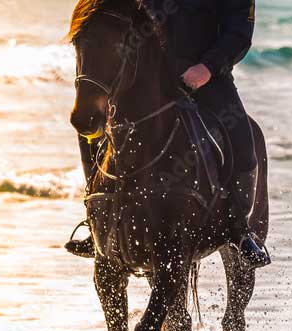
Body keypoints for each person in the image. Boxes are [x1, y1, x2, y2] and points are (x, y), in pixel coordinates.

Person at [67, 0, 271, 269]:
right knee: (90, 128)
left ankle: (238, 230)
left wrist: (207, 68)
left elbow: (239, 35)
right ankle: (96, 221)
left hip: (206, 79)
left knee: (243, 140)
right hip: (148, 76)